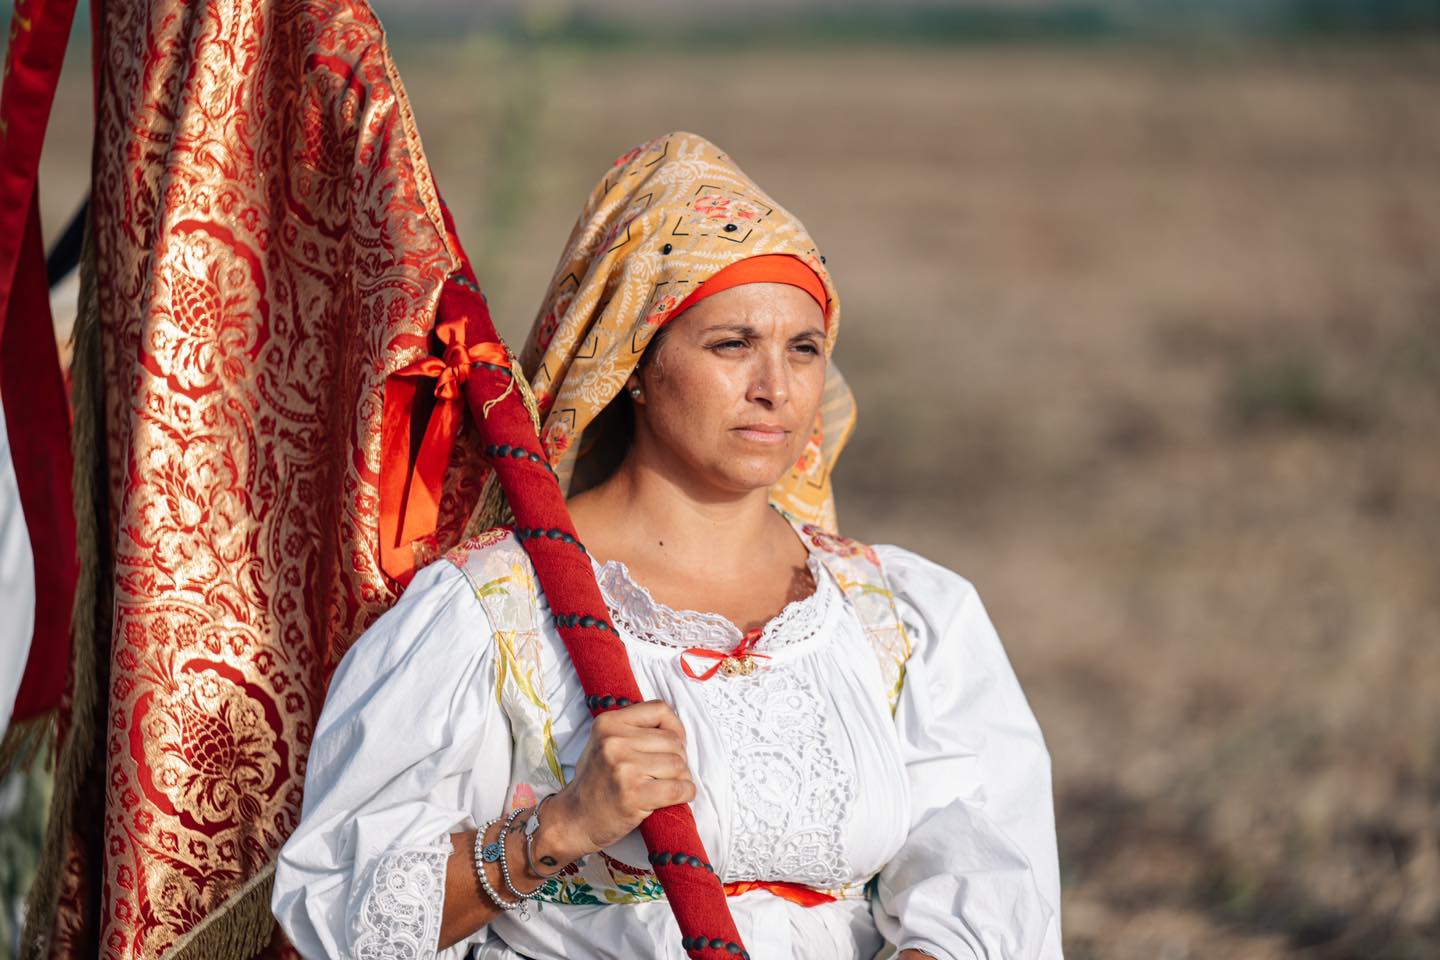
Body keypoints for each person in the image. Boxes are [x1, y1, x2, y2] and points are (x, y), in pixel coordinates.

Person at [272, 131, 1063, 960]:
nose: (777, 389)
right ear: (636, 365)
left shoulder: (896, 616)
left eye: (804, 348)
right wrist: (561, 826)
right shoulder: (493, 613)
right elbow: (339, 915)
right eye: (732, 344)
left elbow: (990, 875)